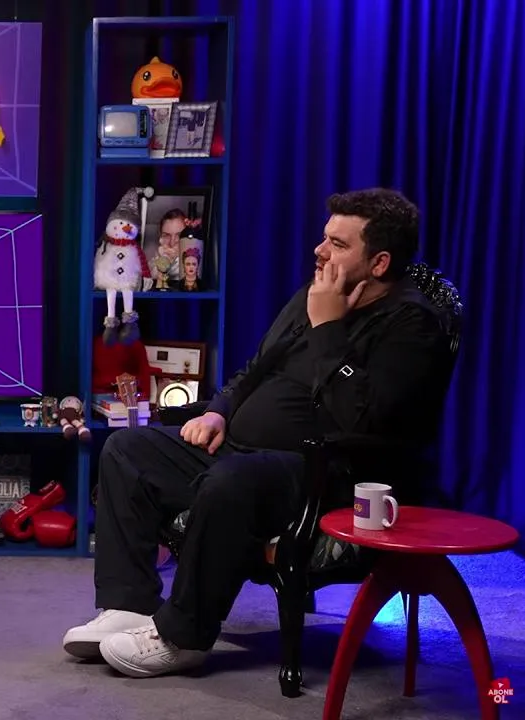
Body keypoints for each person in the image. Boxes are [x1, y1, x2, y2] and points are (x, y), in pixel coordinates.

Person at [62, 188, 453, 678]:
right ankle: (128, 604)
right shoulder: (313, 294)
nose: (319, 250)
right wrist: (219, 411)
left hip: (326, 473)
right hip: (241, 449)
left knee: (233, 481)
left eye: (337, 244)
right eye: (324, 237)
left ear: (379, 263)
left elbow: (365, 418)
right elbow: (254, 369)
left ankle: (184, 636)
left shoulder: (412, 325)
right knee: (126, 449)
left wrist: (328, 328)